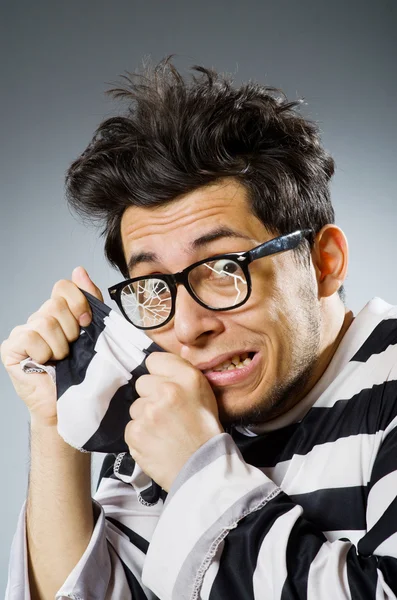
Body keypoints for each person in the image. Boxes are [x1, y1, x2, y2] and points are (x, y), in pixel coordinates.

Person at [2, 56, 397, 599]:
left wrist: (198, 472)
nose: (188, 328)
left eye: (223, 270)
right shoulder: (168, 410)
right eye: (154, 286)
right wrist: (56, 424)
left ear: (323, 263)